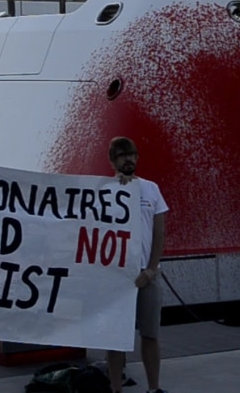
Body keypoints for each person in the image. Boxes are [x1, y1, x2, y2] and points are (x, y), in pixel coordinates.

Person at [106, 136, 169, 393]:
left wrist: (151, 269)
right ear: (112, 161)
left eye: (132, 154)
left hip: (147, 275)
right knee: (115, 338)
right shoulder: (102, 190)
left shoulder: (151, 189)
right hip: (116, 276)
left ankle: (154, 388)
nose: (128, 159)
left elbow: (159, 234)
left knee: (150, 334)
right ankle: (115, 388)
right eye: (122, 155)